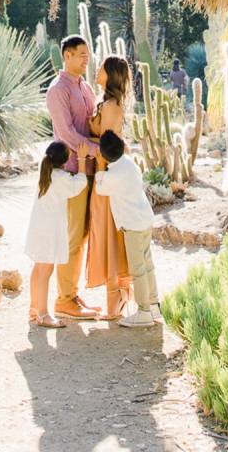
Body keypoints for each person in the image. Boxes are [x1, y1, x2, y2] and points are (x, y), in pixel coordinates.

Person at [44, 34, 101, 318]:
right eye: (80, 54)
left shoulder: (86, 87)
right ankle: (64, 298)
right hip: (73, 171)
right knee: (74, 236)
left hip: (91, 169)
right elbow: (66, 134)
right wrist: (98, 150)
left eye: (87, 54)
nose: (85, 59)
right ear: (66, 55)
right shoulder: (57, 90)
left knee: (85, 234)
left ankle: (72, 294)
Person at [94, 130, 160, 327]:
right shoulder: (129, 163)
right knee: (147, 264)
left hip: (133, 226)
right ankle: (154, 304)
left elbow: (100, 188)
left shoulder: (112, 174)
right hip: (145, 219)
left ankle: (144, 312)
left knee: (137, 269)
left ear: (104, 156)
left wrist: (99, 167)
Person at [85, 55, 134, 318]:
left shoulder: (112, 106)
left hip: (107, 174)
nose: (97, 70)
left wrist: (81, 139)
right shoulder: (108, 103)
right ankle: (118, 297)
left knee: (108, 233)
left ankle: (115, 302)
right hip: (103, 172)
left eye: (102, 67)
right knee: (106, 232)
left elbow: (106, 144)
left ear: (111, 73)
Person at [25, 139, 91, 327]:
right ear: (64, 163)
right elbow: (80, 183)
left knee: (38, 268)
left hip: (38, 228)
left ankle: (35, 307)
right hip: (49, 231)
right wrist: (81, 159)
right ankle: (43, 315)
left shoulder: (44, 171)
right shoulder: (61, 179)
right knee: (46, 271)